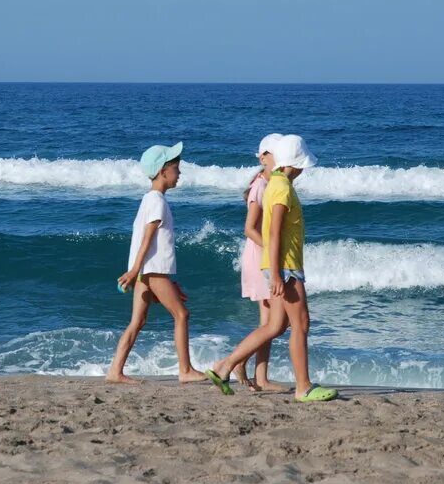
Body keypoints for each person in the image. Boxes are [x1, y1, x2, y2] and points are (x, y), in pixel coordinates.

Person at [206, 134, 337, 402]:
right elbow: (274, 233)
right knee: (301, 323)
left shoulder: (276, 183)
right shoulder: (282, 189)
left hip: (282, 265)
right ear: (294, 165)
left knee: (276, 325)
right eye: (301, 166)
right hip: (286, 267)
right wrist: (276, 272)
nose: (302, 171)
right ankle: (304, 387)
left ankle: (224, 365)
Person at [106, 142, 207, 385]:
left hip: (147, 272)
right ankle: (185, 370)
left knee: (138, 322)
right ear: (163, 171)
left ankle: (115, 371)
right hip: (152, 271)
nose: (179, 173)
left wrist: (140, 273)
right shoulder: (157, 201)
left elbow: (146, 242)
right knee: (181, 315)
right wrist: (134, 271)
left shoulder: (149, 199)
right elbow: (146, 240)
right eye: (176, 168)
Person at [230, 134, 290, 392]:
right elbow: (249, 229)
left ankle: (260, 375)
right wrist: (272, 251)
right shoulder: (261, 186)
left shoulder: (272, 182)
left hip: (265, 257)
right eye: (275, 154)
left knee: (270, 323)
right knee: (273, 323)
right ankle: (237, 361)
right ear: (264, 157)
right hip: (259, 258)